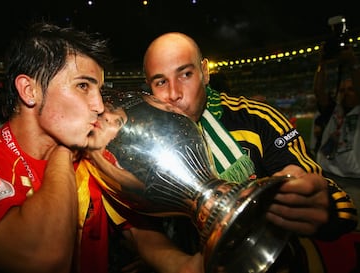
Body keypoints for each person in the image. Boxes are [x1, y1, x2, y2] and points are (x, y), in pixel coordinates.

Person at [0, 22, 205, 273]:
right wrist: (63, 151)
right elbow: (41, 259)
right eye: (83, 86)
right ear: (29, 90)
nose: (99, 105)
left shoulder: (94, 159)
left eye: (99, 89)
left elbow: (139, 231)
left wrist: (182, 266)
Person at [142, 32, 358, 270]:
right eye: (160, 81)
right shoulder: (144, 145)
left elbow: (342, 206)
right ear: (149, 87)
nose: (173, 94)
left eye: (185, 74)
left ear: (204, 72)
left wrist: (321, 203)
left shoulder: (257, 119)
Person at [313, 44, 360, 228]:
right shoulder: (333, 110)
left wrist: (353, 63)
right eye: (343, 90)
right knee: (332, 226)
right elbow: (319, 92)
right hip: (330, 178)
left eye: (351, 89)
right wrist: (322, 64)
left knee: (355, 228)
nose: (346, 93)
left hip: (355, 183)